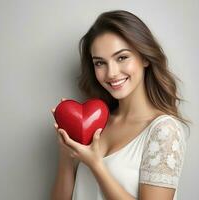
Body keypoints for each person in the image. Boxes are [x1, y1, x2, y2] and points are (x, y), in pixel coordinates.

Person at [50, 10, 191, 200]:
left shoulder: (164, 131)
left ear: (145, 58)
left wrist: (96, 165)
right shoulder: (94, 124)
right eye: (100, 63)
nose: (111, 73)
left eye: (122, 57)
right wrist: (66, 154)